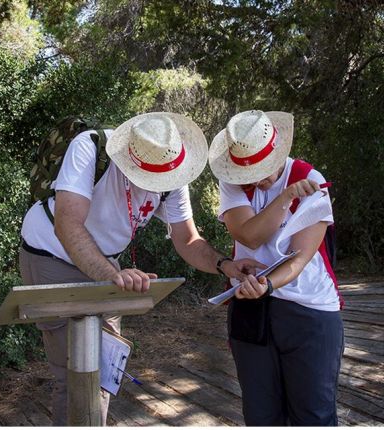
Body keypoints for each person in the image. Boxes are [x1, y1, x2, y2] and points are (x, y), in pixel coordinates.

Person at [19, 112, 263, 426]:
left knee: (106, 369)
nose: (156, 186)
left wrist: (224, 265)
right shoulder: (91, 147)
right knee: (76, 371)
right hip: (51, 253)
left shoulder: (172, 168)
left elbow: (187, 240)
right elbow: (68, 226)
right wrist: (111, 275)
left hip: (104, 261)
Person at [209, 110, 343, 426]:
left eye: (265, 169)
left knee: (314, 414)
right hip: (250, 307)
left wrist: (269, 284)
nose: (258, 179)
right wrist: (284, 197)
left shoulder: (309, 178)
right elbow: (249, 236)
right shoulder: (232, 180)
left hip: (308, 307)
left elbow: (300, 258)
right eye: (251, 172)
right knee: (261, 415)